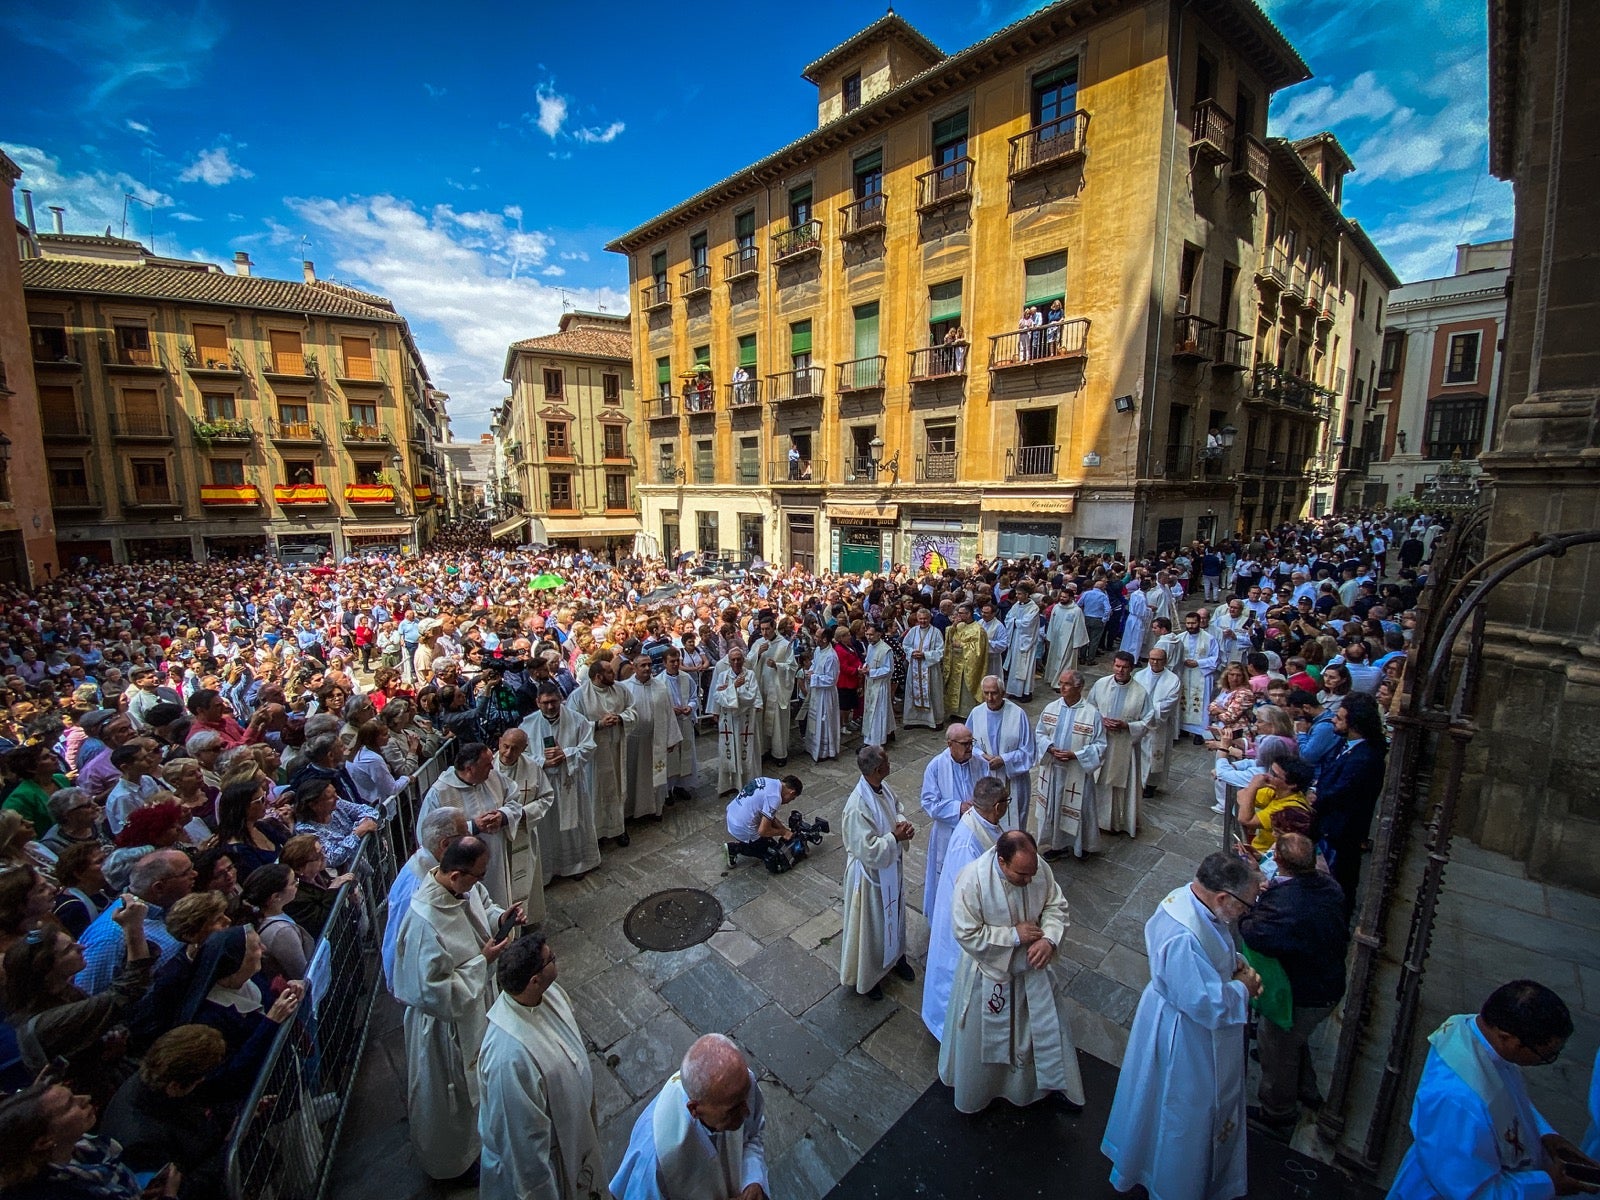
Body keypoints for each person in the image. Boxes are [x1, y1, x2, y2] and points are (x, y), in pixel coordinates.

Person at [1103, 852, 1265, 1200]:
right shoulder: (1182, 934)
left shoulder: (1197, 901)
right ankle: (1172, 1181)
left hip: (1184, 1018)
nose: (1245, 913)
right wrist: (1243, 989)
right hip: (1182, 1034)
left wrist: (1234, 964)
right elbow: (1203, 1003)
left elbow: (1213, 951)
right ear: (1222, 897)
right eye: (1246, 906)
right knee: (1182, 1108)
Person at [1389, 980, 1598, 1198]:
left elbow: (1509, 1101)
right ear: (1507, 1037)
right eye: (1546, 1055)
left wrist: (1545, 1135)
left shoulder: (1475, 1034)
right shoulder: (1458, 1101)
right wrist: (1549, 1184)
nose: (1546, 1060)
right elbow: (1474, 1193)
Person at [392, 835, 520, 1182]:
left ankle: (484, 1142)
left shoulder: (461, 888)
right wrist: (483, 961)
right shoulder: (424, 921)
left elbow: (483, 907)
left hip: (475, 1006)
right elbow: (433, 992)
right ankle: (454, 1163)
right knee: (452, 1103)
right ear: (454, 875)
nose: (481, 881)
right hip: (444, 1031)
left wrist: (500, 919)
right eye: (478, 875)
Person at [939, 829, 1085, 1113]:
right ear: (1002, 861)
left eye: (1032, 874)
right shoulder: (973, 881)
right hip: (990, 975)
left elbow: (1056, 905)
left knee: (1042, 1032)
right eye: (1022, 875)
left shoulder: (1035, 865)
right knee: (983, 1042)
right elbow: (966, 934)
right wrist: (1014, 936)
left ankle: (1038, 1088)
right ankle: (980, 1093)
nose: (1029, 880)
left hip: (1032, 970)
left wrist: (1049, 939)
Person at [477, 933, 606, 1200]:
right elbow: (523, 1151)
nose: (555, 959)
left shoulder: (546, 994)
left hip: (572, 1133)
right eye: (551, 960)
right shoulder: (509, 1060)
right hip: (552, 1165)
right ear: (534, 980)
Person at [1236, 832, 1347, 1135]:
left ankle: (1278, 1113)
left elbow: (1255, 931)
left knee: (1277, 1047)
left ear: (1282, 862)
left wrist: (1252, 905)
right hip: (1327, 982)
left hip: (1304, 992)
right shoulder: (1327, 884)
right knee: (1294, 1038)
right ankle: (1307, 1088)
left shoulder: (1289, 904)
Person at [610, 1033, 768, 1200]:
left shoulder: (741, 1085)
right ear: (694, 1109)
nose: (746, 1111)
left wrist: (753, 1180)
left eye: (745, 1098)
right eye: (732, 1110)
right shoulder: (655, 1159)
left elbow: (753, 1134)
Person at [921, 776, 1014, 1039]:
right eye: (1006, 802)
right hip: (962, 923)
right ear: (997, 807)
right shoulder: (967, 841)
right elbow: (970, 889)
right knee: (954, 976)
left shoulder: (983, 821)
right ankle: (945, 1029)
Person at [99, 1025, 230, 1196]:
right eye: (198, 1080)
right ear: (175, 1086)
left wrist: (232, 1118)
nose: (202, 1081)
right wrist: (228, 1149)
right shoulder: (142, 1142)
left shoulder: (154, 1077)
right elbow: (184, 1190)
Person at [0, 1078, 183, 1200]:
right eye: (70, 1104)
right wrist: (169, 1196)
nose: (86, 1098)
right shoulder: (52, 1194)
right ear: (43, 1141)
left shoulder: (84, 1146)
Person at [839, 744, 916, 1002]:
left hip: (890, 869)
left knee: (895, 915)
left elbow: (896, 807)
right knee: (872, 927)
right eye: (887, 761)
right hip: (870, 878)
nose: (890, 763)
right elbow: (867, 849)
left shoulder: (881, 788)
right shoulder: (857, 805)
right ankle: (869, 977)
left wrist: (902, 822)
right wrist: (895, 836)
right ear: (876, 769)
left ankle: (897, 958)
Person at [418, 741, 530, 912]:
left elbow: (514, 797)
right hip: (463, 867)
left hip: (495, 856)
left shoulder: (493, 777)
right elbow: (426, 836)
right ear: (470, 768)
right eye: (487, 764)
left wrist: (503, 815)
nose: (492, 767)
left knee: (498, 898)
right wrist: (473, 827)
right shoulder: (440, 792)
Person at [1313, 693, 1388, 919]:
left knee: (1339, 879)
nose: (1334, 720)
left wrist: (1317, 797)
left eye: (1339, 717)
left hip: (1342, 829)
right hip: (1331, 825)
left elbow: (1343, 791)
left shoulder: (1364, 758)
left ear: (1354, 724)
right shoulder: (1348, 745)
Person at [75, 850, 193, 994]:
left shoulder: (167, 906)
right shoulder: (111, 937)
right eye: (186, 873)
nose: (195, 875)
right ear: (159, 887)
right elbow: (91, 1000)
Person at [382, 806, 467, 992]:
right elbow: (400, 941)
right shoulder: (415, 888)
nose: (470, 840)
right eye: (464, 835)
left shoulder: (442, 866)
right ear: (445, 844)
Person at [1032, 669, 1107, 859]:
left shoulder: (1092, 714)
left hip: (1077, 772)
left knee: (1078, 809)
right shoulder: (1051, 708)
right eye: (1061, 683)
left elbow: (1101, 745)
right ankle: (1057, 845)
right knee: (1054, 807)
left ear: (1079, 687)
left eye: (1066, 684)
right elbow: (1039, 733)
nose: (1062, 687)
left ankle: (1081, 846)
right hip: (1053, 770)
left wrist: (1077, 755)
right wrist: (1049, 747)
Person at [488, 728, 555, 925]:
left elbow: (546, 796)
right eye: (505, 747)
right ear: (499, 742)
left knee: (526, 877)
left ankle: (528, 919)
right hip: (496, 839)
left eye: (515, 749)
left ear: (524, 749)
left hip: (524, 833)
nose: (508, 753)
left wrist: (523, 814)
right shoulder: (487, 767)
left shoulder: (532, 767)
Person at [918, 723, 985, 916]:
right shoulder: (936, 767)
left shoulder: (979, 761)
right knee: (947, 880)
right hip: (947, 834)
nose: (970, 748)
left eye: (971, 742)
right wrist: (959, 808)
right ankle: (943, 918)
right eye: (965, 744)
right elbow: (929, 803)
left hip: (975, 831)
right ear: (950, 744)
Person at [1088, 651, 1156, 837]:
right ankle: (1096, 819)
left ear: (1132, 669)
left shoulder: (1140, 692)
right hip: (1102, 741)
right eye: (1117, 666)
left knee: (1121, 785)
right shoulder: (1101, 684)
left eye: (1125, 667)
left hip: (1125, 745)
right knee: (1098, 780)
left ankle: (1118, 822)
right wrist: (1100, 720)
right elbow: (1089, 707)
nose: (1120, 670)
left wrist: (1127, 726)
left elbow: (1149, 720)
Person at [569, 656, 634, 847]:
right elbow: (573, 726)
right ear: (598, 676)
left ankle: (618, 828)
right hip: (594, 755)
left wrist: (621, 718)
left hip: (616, 748)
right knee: (595, 792)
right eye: (609, 672)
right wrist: (598, 725)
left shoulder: (620, 689)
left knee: (617, 787)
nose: (614, 673)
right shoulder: (579, 696)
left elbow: (633, 709)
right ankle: (596, 833)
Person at [968, 674, 1036, 831]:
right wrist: (982, 756)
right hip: (986, 777)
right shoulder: (976, 713)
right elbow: (969, 744)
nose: (990, 698)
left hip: (1013, 781)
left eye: (994, 693)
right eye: (986, 693)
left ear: (1003, 692)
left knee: (1014, 823)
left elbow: (1029, 751)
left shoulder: (1018, 714)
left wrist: (1004, 760)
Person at [622, 654, 684, 822]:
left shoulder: (660, 686)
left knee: (654, 777)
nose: (647, 668)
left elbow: (668, 713)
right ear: (634, 667)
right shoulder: (624, 688)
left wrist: (671, 739)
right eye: (642, 665)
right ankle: (631, 811)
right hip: (632, 742)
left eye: (649, 665)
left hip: (654, 740)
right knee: (633, 777)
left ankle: (654, 809)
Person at [710, 645, 761, 795]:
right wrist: (734, 687)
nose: (737, 662)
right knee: (729, 751)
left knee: (747, 753)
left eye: (739, 659)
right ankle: (729, 785)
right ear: (729, 661)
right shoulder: (723, 676)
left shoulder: (750, 675)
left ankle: (748, 782)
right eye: (733, 660)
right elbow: (717, 697)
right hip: (729, 722)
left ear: (743, 660)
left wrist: (730, 690)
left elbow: (751, 697)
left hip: (746, 722)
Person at [725, 774, 803, 869]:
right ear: (791, 792)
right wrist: (783, 832)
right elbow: (763, 831)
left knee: (772, 842)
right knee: (776, 856)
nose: (788, 802)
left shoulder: (768, 781)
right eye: (792, 799)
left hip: (732, 815)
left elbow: (769, 817)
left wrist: (783, 830)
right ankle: (734, 848)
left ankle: (754, 843)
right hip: (741, 827)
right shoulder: (775, 797)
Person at [750, 616, 797, 768]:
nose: (764, 632)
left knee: (778, 723)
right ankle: (764, 750)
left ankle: (779, 753)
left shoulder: (784, 644)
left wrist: (778, 665)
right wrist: (757, 654)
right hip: (762, 688)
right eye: (762, 629)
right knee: (762, 722)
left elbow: (792, 666)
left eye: (767, 629)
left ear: (774, 627)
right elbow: (747, 663)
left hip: (777, 689)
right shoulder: (758, 643)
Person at [1134, 646, 1182, 796]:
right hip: (1140, 722)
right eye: (1152, 659)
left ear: (1165, 661)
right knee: (1139, 754)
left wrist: (1147, 711)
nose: (1154, 662)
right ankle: (1136, 782)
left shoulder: (1173, 680)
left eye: (1158, 659)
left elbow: (1169, 703)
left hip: (1159, 724)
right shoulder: (1139, 676)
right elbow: (1133, 697)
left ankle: (1151, 784)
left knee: (1156, 753)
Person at [1173, 610, 1222, 742]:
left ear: (1199, 623)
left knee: (1202, 702)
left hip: (1202, 675)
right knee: (1183, 700)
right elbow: (1175, 656)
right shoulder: (1180, 638)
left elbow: (1216, 659)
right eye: (1188, 623)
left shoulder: (1209, 638)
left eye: (1193, 623)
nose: (1190, 626)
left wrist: (1198, 663)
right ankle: (1183, 728)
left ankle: (1200, 733)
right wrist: (1183, 661)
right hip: (1184, 673)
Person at [901, 607, 945, 729]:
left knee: (933, 692)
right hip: (915, 667)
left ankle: (934, 720)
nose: (923, 621)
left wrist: (925, 655)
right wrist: (912, 653)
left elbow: (941, 650)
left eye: (925, 619)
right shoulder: (913, 631)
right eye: (920, 619)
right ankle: (912, 720)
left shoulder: (936, 632)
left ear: (929, 618)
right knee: (912, 692)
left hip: (930, 669)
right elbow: (905, 645)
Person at [803, 626, 841, 763]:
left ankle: (826, 751)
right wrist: (810, 671)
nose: (815, 638)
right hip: (817, 692)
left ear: (825, 639)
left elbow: (831, 679)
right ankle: (813, 747)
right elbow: (815, 664)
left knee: (824, 722)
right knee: (814, 719)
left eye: (818, 636)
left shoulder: (831, 656)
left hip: (826, 695)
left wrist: (813, 678)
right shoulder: (819, 650)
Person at [942, 604, 988, 716]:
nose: (958, 615)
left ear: (968, 614)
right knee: (954, 688)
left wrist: (962, 645)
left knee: (965, 690)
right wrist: (953, 625)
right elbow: (949, 635)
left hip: (967, 664)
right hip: (955, 662)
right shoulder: (959, 625)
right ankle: (954, 711)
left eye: (961, 613)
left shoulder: (978, 629)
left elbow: (978, 650)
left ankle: (966, 713)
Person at [859, 623, 896, 747]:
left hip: (880, 686)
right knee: (873, 711)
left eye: (871, 634)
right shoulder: (870, 647)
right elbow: (867, 662)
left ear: (879, 634)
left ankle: (875, 741)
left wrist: (871, 672)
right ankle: (888, 732)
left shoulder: (886, 650)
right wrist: (864, 668)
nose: (868, 637)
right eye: (867, 634)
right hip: (870, 683)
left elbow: (888, 669)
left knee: (877, 712)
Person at [1002, 586, 1041, 700]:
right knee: (1014, 666)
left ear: (1026, 594)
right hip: (1016, 639)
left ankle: (1025, 692)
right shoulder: (1016, 605)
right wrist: (1014, 621)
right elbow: (1008, 618)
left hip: (1026, 642)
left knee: (1025, 666)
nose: (1017, 596)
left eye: (1019, 594)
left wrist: (1015, 621)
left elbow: (1028, 623)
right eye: (1017, 594)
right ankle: (1014, 691)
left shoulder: (1033, 608)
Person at [1043, 590, 1091, 682]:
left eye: (1065, 597)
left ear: (1071, 598)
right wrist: (1049, 637)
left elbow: (1079, 626)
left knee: (1065, 662)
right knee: (1054, 661)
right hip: (1056, 640)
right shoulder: (1056, 607)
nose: (1062, 598)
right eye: (1061, 596)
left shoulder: (1076, 611)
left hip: (1069, 641)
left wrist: (1077, 642)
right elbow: (1051, 623)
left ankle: (1061, 682)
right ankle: (1052, 679)